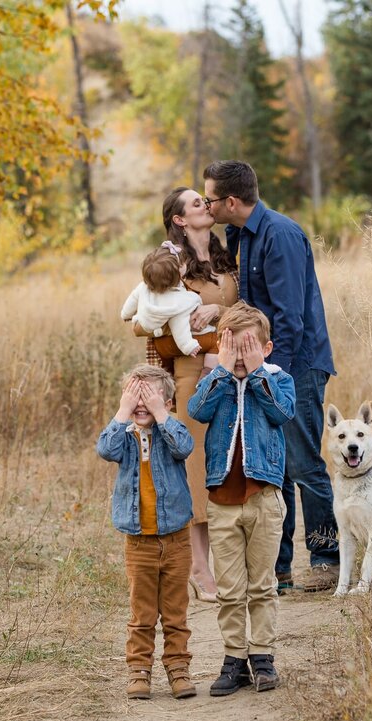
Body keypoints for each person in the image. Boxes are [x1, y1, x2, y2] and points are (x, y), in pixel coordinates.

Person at [202, 160, 340, 593]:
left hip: (295, 366)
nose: (206, 204)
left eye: (209, 198)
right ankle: (278, 570)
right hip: (266, 366)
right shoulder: (239, 236)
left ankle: (326, 558)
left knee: (302, 464)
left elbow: (288, 318)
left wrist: (269, 375)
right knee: (274, 468)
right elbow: (253, 308)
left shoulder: (279, 235)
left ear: (230, 201)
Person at [133, 188, 240, 603]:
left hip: (230, 370)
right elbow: (141, 323)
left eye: (205, 201)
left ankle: (220, 561)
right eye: (196, 203)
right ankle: (198, 565)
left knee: (223, 460)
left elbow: (242, 306)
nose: (206, 206)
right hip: (191, 373)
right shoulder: (169, 262)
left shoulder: (223, 255)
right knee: (196, 466)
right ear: (179, 219)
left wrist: (221, 314)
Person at [187, 303, 295, 695]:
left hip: (264, 499)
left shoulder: (279, 380)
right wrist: (222, 369)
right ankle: (234, 658)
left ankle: (262, 655)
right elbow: (196, 410)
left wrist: (257, 374)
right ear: (221, 346)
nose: (240, 356)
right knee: (231, 588)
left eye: (248, 346)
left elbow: (283, 414)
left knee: (262, 585)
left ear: (266, 349)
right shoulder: (215, 382)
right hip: (222, 502)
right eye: (232, 346)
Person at [95, 364, 198, 701]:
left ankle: (178, 668)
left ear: (167, 403)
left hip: (177, 541)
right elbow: (104, 449)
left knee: (175, 612)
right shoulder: (123, 438)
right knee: (142, 613)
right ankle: (139, 671)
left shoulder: (173, 431)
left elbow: (184, 447)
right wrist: (124, 411)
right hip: (139, 543)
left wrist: (159, 413)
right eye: (134, 396)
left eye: (150, 397)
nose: (142, 404)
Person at [120, 243, 218, 373]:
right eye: (183, 264)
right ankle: (207, 376)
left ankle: (168, 372)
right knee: (216, 341)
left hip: (156, 340)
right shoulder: (181, 300)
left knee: (167, 368)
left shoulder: (143, 287)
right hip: (176, 343)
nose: (186, 265)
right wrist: (188, 346)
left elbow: (132, 300)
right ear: (179, 271)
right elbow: (179, 325)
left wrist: (125, 315)